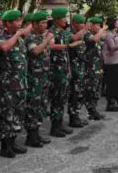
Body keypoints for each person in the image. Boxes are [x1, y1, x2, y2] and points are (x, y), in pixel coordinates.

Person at [0, 10, 30, 158]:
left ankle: (13, 142)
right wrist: (17, 35)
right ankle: (5, 146)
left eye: (19, 20)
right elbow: (3, 48)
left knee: (18, 114)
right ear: (8, 23)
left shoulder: (21, 40)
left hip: (20, 83)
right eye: (16, 21)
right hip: (8, 85)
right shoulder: (0, 37)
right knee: (7, 115)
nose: (19, 23)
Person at [24, 11, 53, 148]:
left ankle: (37, 134)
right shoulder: (30, 38)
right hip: (34, 78)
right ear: (34, 24)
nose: (45, 25)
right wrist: (47, 40)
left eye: (46, 22)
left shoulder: (41, 37)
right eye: (42, 23)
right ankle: (31, 136)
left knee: (41, 106)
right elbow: (35, 52)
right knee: (33, 107)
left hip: (43, 77)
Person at [47, 7, 73, 137]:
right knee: (56, 99)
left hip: (64, 71)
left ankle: (60, 124)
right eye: (64, 18)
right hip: (56, 72)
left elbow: (73, 38)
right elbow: (51, 46)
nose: (65, 20)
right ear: (57, 19)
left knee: (62, 99)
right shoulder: (51, 32)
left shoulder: (63, 32)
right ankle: (54, 127)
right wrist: (67, 46)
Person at [66, 14, 90, 128]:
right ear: (74, 23)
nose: (83, 25)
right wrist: (85, 30)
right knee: (74, 95)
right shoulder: (69, 32)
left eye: (84, 23)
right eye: (80, 23)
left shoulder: (82, 34)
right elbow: (73, 39)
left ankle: (77, 116)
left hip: (81, 67)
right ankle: (73, 118)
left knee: (79, 94)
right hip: (74, 68)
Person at [83, 17, 106, 120]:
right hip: (91, 67)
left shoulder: (97, 34)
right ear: (90, 25)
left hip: (98, 66)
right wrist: (102, 30)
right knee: (91, 89)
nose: (99, 27)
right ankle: (91, 111)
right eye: (97, 25)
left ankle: (94, 110)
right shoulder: (87, 34)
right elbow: (95, 39)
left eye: (99, 25)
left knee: (97, 89)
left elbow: (102, 40)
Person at [103, 17, 118, 112]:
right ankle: (110, 103)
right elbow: (113, 48)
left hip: (116, 61)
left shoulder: (116, 34)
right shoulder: (109, 35)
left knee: (116, 83)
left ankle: (114, 102)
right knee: (111, 84)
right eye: (116, 21)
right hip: (110, 63)